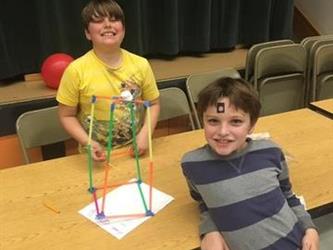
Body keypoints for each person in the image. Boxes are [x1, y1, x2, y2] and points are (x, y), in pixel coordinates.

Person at [181, 77, 319, 250]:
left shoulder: (271, 151)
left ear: (252, 125)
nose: (223, 132)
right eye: (213, 121)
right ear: (203, 121)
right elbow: (204, 201)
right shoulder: (193, 165)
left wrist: (310, 229)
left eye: (236, 121)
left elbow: (288, 194)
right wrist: (210, 230)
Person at [56, 0, 160, 162]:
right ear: (87, 33)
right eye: (98, 21)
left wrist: (145, 135)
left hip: (136, 153)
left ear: (123, 30)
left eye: (114, 19)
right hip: (96, 157)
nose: (107, 25)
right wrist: (88, 142)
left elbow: (153, 104)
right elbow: (66, 116)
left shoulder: (141, 64)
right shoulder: (75, 70)